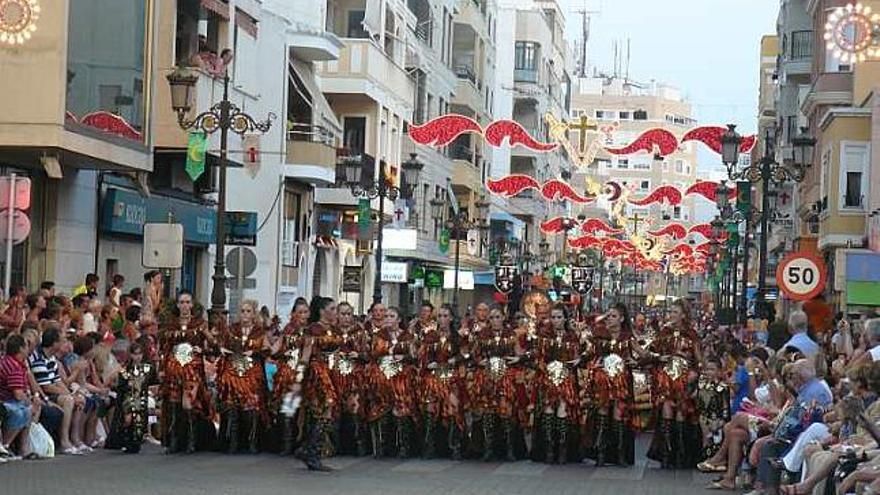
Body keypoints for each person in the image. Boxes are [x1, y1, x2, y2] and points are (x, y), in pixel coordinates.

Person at [646, 299, 703, 469]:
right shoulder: (664, 332)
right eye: (671, 312)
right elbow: (651, 352)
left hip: (685, 381)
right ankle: (666, 455)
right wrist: (659, 358)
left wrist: (695, 373)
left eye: (675, 312)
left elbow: (699, 360)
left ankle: (681, 455)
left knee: (682, 415)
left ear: (683, 315)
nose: (671, 315)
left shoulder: (692, 335)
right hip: (666, 381)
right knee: (666, 413)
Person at [585, 303, 641, 466]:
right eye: (608, 315)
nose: (609, 318)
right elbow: (589, 353)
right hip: (602, 380)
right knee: (602, 411)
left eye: (613, 316)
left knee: (619, 414)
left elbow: (642, 354)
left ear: (622, 319)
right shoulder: (600, 335)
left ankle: (620, 454)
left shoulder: (628, 337)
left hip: (621, 381)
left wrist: (637, 361)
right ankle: (601, 454)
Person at [159, 291, 213, 454]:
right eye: (181, 302)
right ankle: (175, 440)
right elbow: (164, 347)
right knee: (174, 403)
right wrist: (162, 366)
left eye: (187, 302)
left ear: (192, 304)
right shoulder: (170, 325)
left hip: (192, 367)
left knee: (188, 403)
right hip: (174, 367)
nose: (184, 305)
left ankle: (191, 440)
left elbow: (212, 343)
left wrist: (202, 349)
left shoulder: (200, 324)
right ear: (177, 305)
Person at [216, 300, 269, 454]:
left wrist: (255, 352)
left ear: (254, 314)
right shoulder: (232, 330)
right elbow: (221, 344)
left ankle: (251, 441)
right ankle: (232, 441)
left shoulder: (259, 332)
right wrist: (223, 350)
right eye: (242, 311)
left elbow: (267, 350)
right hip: (234, 370)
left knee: (252, 404)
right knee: (231, 403)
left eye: (248, 311)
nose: (245, 314)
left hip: (252, 371)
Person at [295, 296, 340, 471]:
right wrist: (298, 378)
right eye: (333, 309)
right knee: (325, 408)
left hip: (330, 371)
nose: (335, 312)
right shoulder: (313, 329)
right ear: (322, 311)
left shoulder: (333, 329)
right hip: (317, 371)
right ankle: (312, 453)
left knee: (327, 410)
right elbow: (305, 354)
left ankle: (307, 449)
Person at [366, 306, 417, 458]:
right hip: (382, 374)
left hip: (401, 375)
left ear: (399, 319)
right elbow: (373, 354)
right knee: (381, 406)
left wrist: (404, 357)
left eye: (391, 316)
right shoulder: (378, 335)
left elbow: (414, 355)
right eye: (386, 316)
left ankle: (403, 446)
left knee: (401, 406)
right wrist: (390, 352)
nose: (387, 318)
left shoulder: (407, 336)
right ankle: (381, 446)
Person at [535, 304, 581, 464]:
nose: (556, 320)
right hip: (548, 376)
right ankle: (549, 448)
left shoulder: (572, 336)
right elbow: (539, 356)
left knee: (563, 408)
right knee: (548, 408)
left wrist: (578, 360)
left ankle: (562, 449)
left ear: (565, 318)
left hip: (566, 377)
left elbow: (578, 354)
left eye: (559, 317)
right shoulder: (544, 335)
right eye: (553, 317)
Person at [417, 302, 461, 459]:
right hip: (433, 376)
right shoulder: (430, 336)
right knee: (430, 407)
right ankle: (429, 445)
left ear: (451, 318)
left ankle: (453, 445)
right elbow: (422, 355)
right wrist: (428, 363)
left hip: (451, 375)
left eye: (445, 316)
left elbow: (466, 354)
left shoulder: (457, 337)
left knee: (452, 406)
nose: (442, 319)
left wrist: (454, 360)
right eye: (440, 316)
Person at [269, 299, 309, 456]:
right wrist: (280, 353)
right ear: (293, 314)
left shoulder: (311, 331)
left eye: (306, 312)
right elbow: (274, 350)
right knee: (288, 407)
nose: (303, 315)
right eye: (300, 312)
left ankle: (303, 442)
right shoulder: (288, 330)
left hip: (306, 372)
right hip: (288, 374)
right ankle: (287, 443)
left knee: (304, 410)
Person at [332, 301, 371, 457]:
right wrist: (336, 354)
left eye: (349, 314)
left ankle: (356, 445)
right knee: (335, 410)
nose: (346, 317)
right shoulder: (332, 332)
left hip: (354, 374)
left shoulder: (360, 332)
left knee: (354, 409)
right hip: (336, 374)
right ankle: (335, 445)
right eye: (343, 314)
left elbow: (369, 354)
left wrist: (359, 355)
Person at [105, 342, 156, 453]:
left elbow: (153, 382)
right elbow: (119, 383)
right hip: (127, 396)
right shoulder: (125, 368)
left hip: (141, 396)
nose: (137, 357)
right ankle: (125, 439)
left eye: (139, 354)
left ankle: (136, 441)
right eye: (135, 354)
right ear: (130, 355)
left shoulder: (148, 367)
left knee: (140, 419)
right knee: (128, 419)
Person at [1, 334, 34, 459]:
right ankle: (5, 445)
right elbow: (18, 394)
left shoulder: (15, 363)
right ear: (20, 349)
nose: (28, 349)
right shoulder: (13, 366)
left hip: (9, 399)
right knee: (22, 412)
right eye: (26, 346)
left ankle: (20, 447)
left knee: (27, 410)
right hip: (6, 401)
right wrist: (30, 401)